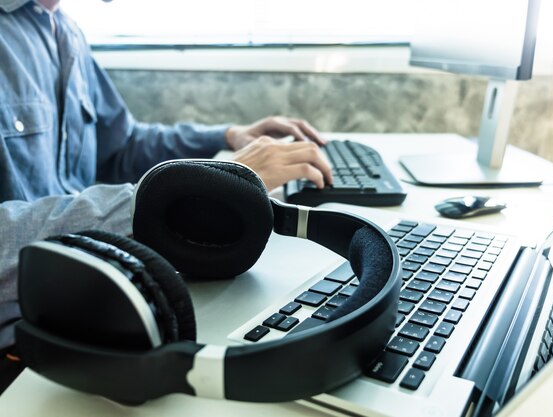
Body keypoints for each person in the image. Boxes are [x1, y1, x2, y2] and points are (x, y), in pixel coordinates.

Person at [0, 0, 333, 384]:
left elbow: (122, 145)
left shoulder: (64, 30)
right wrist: (181, 190)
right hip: (22, 347)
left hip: (89, 298)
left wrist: (226, 138)